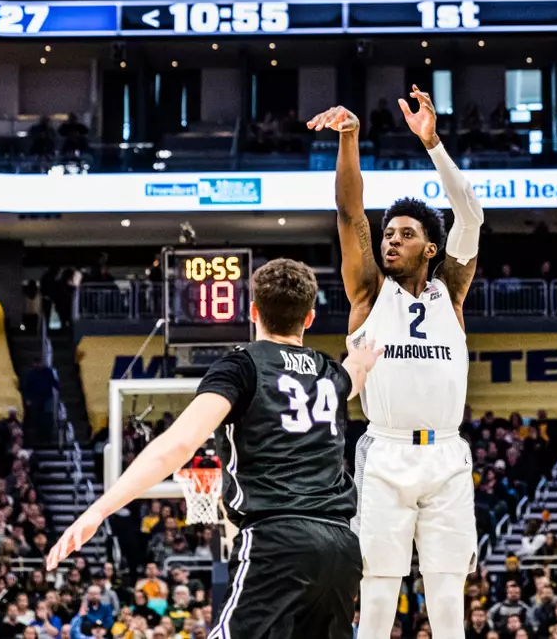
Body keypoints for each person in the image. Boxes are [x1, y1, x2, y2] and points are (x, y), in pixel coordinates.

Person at [46, 259, 380, 638]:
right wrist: (362, 357)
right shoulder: (328, 371)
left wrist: (99, 509)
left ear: (253, 312)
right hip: (340, 547)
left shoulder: (242, 366)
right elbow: (354, 375)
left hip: (278, 540)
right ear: (309, 318)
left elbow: (178, 444)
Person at [306, 85, 486, 639]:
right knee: (379, 589)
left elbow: (470, 214)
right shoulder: (368, 291)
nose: (391, 241)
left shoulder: (451, 291)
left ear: (431, 249)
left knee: (448, 593)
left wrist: (433, 144)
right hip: (385, 453)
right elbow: (349, 212)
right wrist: (349, 138)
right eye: (388, 234)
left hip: (447, 454)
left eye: (406, 235)